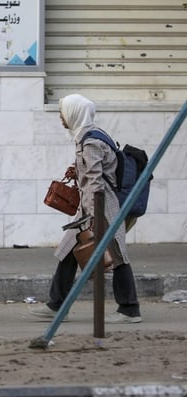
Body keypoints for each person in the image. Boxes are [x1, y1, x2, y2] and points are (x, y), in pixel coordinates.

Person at [30, 93, 142, 323]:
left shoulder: (90, 142)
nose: (61, 117)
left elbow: (95, 182)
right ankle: (56, 305)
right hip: (91, 205)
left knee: (118, 254)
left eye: (63, 112)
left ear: (74, 114)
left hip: (102, 205)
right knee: (69, 250)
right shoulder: (91, 135)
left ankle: (130, 309)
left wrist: (93, 216)